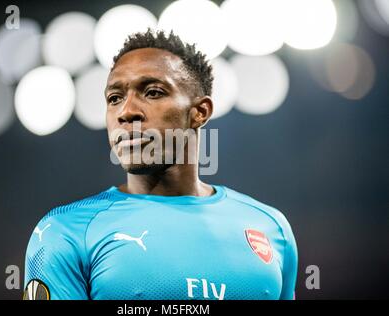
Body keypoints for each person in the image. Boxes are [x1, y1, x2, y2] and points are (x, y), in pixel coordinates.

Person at [23, 29, 298, 300]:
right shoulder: (64, 232)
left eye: (153, 92)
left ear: (199, 112)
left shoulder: (270, 227)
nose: (126, 111)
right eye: (114, 98)